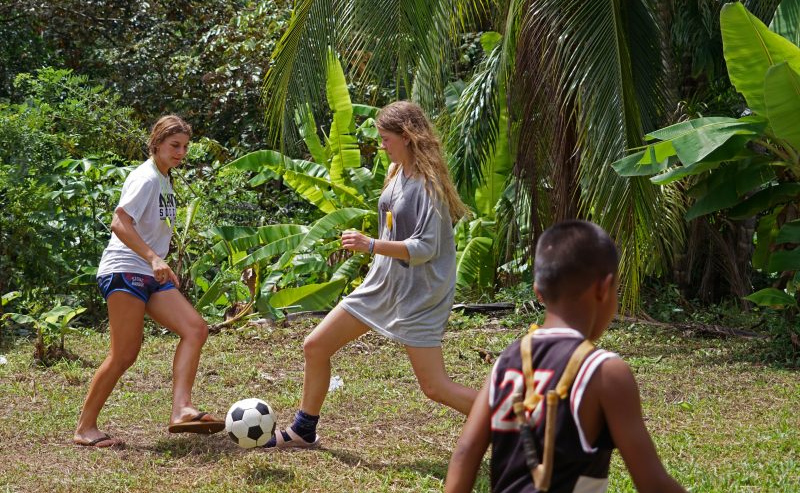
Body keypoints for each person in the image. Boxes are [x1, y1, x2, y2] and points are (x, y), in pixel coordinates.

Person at [265, 100, 477, 449]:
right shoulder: (396, 173)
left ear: (407, 136)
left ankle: (512, 421)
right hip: (382, 286)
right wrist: (375, 251)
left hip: (419, 295)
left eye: (385, 138)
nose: (381, 145)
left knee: (434, 387)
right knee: (316, 345)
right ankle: (304, 430)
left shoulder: (428, 185)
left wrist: (370, 244)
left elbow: (425, 248)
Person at [445, 221, 685, 492]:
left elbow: (465, 452)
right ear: (604, 288)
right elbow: (652, 484)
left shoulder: (506, 362)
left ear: (538, 292)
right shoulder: (605, 372)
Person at [73, 115, 223, 448]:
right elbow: (119, 222)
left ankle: (181, 409)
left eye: (185, 146)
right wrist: (153, 258)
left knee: (195, 329)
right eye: (174, 146)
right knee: (124, 354)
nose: (181, 152)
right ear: (156, 144)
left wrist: (161, 263)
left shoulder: (165, 179)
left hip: (150, 274)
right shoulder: (146, 178)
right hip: (125, 270)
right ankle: (85, 428)